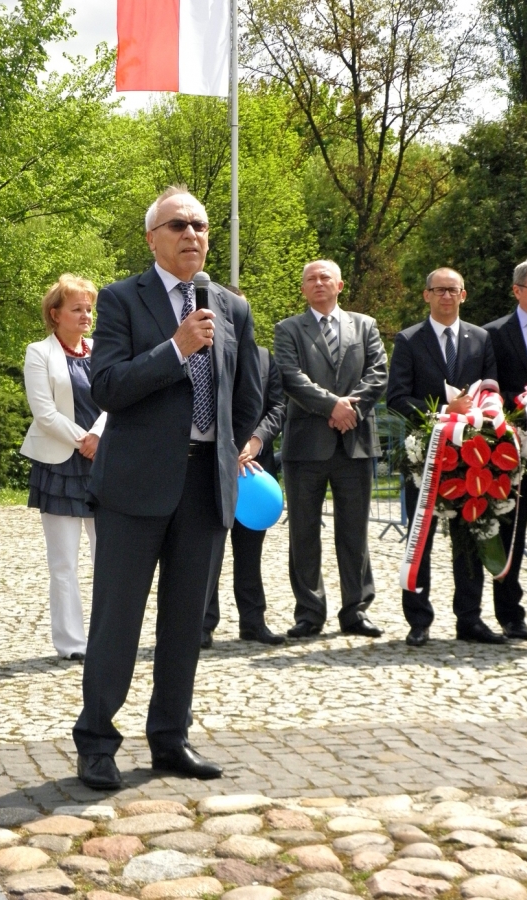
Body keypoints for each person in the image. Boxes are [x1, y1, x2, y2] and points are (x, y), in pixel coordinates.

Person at [72, 185, 262, 789]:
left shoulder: (231, 307)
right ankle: (96, 742)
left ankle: (170, 738)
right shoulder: (121, 299)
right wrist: (176, 348)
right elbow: (107, 386)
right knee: (117, 621)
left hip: (205, 486)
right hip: (135, 487)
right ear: (152, 237)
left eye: (200, 225)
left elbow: (249, 395)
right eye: (178, 225)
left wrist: (232, 449)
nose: (192, 234)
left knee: (186, 624)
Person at [387, 267, 505, 646]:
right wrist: (442, 412)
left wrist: (483, 415)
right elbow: (396, 398)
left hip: (472, 457)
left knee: (468, 538)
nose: (446, 296)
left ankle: (469, 619)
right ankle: (418, 620)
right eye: (439, 290)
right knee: (419, 539)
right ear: (426, 295)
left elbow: (491, 390)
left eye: (453, 290)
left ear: (463, 295)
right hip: (423, 455)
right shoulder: (409, 340)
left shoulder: (481, 338)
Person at [274, 259, 387, 639]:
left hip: (355, 443)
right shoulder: (288, 329)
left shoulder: (365, 325)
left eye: (325, 277)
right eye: (311, 279)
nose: (318, 283)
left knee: (354, 532)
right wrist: (331, 407)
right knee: (303, 533)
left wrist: (349, 409)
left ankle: (356, 611)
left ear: (339, 285)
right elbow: (290, 376)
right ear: (303, 289)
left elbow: (378, 373)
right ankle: (309, 612)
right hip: (306, 446)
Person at [21, 275, 107, 662]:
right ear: (55, 314)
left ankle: (109, 636)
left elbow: (116, 398)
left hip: (104, 461)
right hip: (59, 466)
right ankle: (72, 643)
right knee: (63, 563)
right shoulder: (38, 353)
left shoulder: (102, 350)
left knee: (109, 558)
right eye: (77, 309)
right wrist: (83, 440)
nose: (86, 315)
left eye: (89, 308)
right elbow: (44, 411)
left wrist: (99, 435)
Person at [202, 328, 287, 648]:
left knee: (250, 553)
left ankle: (253, 622)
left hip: (255, 472)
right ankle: (202, 624)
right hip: (211, 468)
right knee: (209, 552)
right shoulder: (202, 355)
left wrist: (254, 442)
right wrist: (227, 449)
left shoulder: (265, 359)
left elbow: (278, 408)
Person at [483, 259, 527, 640]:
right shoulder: (494, 334)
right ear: (517, 290)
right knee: (510, 531)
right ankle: (510, 613)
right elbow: (489, 389)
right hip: (516, 451)